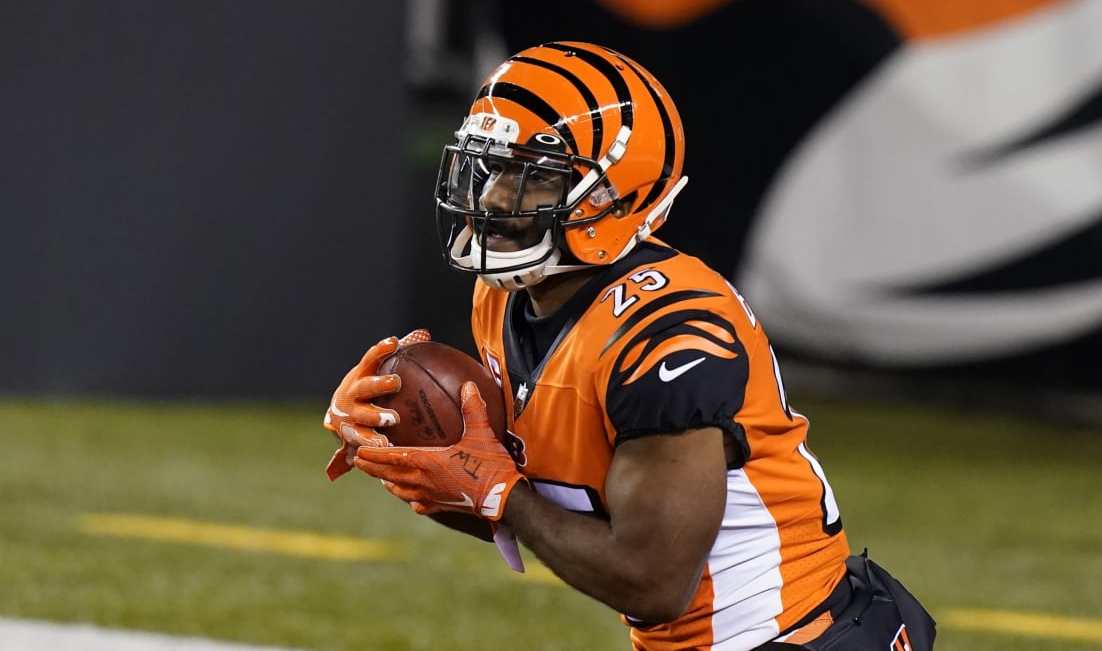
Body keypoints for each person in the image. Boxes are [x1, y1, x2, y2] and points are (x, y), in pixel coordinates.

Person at [323, 41, 934, 651]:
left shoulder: (668, 330)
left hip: (798, 637)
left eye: (531, 177)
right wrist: (409, 453)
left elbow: (652, 581)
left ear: (613, 193)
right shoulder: (502, 296)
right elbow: (557, 511)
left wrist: (498, 495)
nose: (492, 200)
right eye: (492, 169)